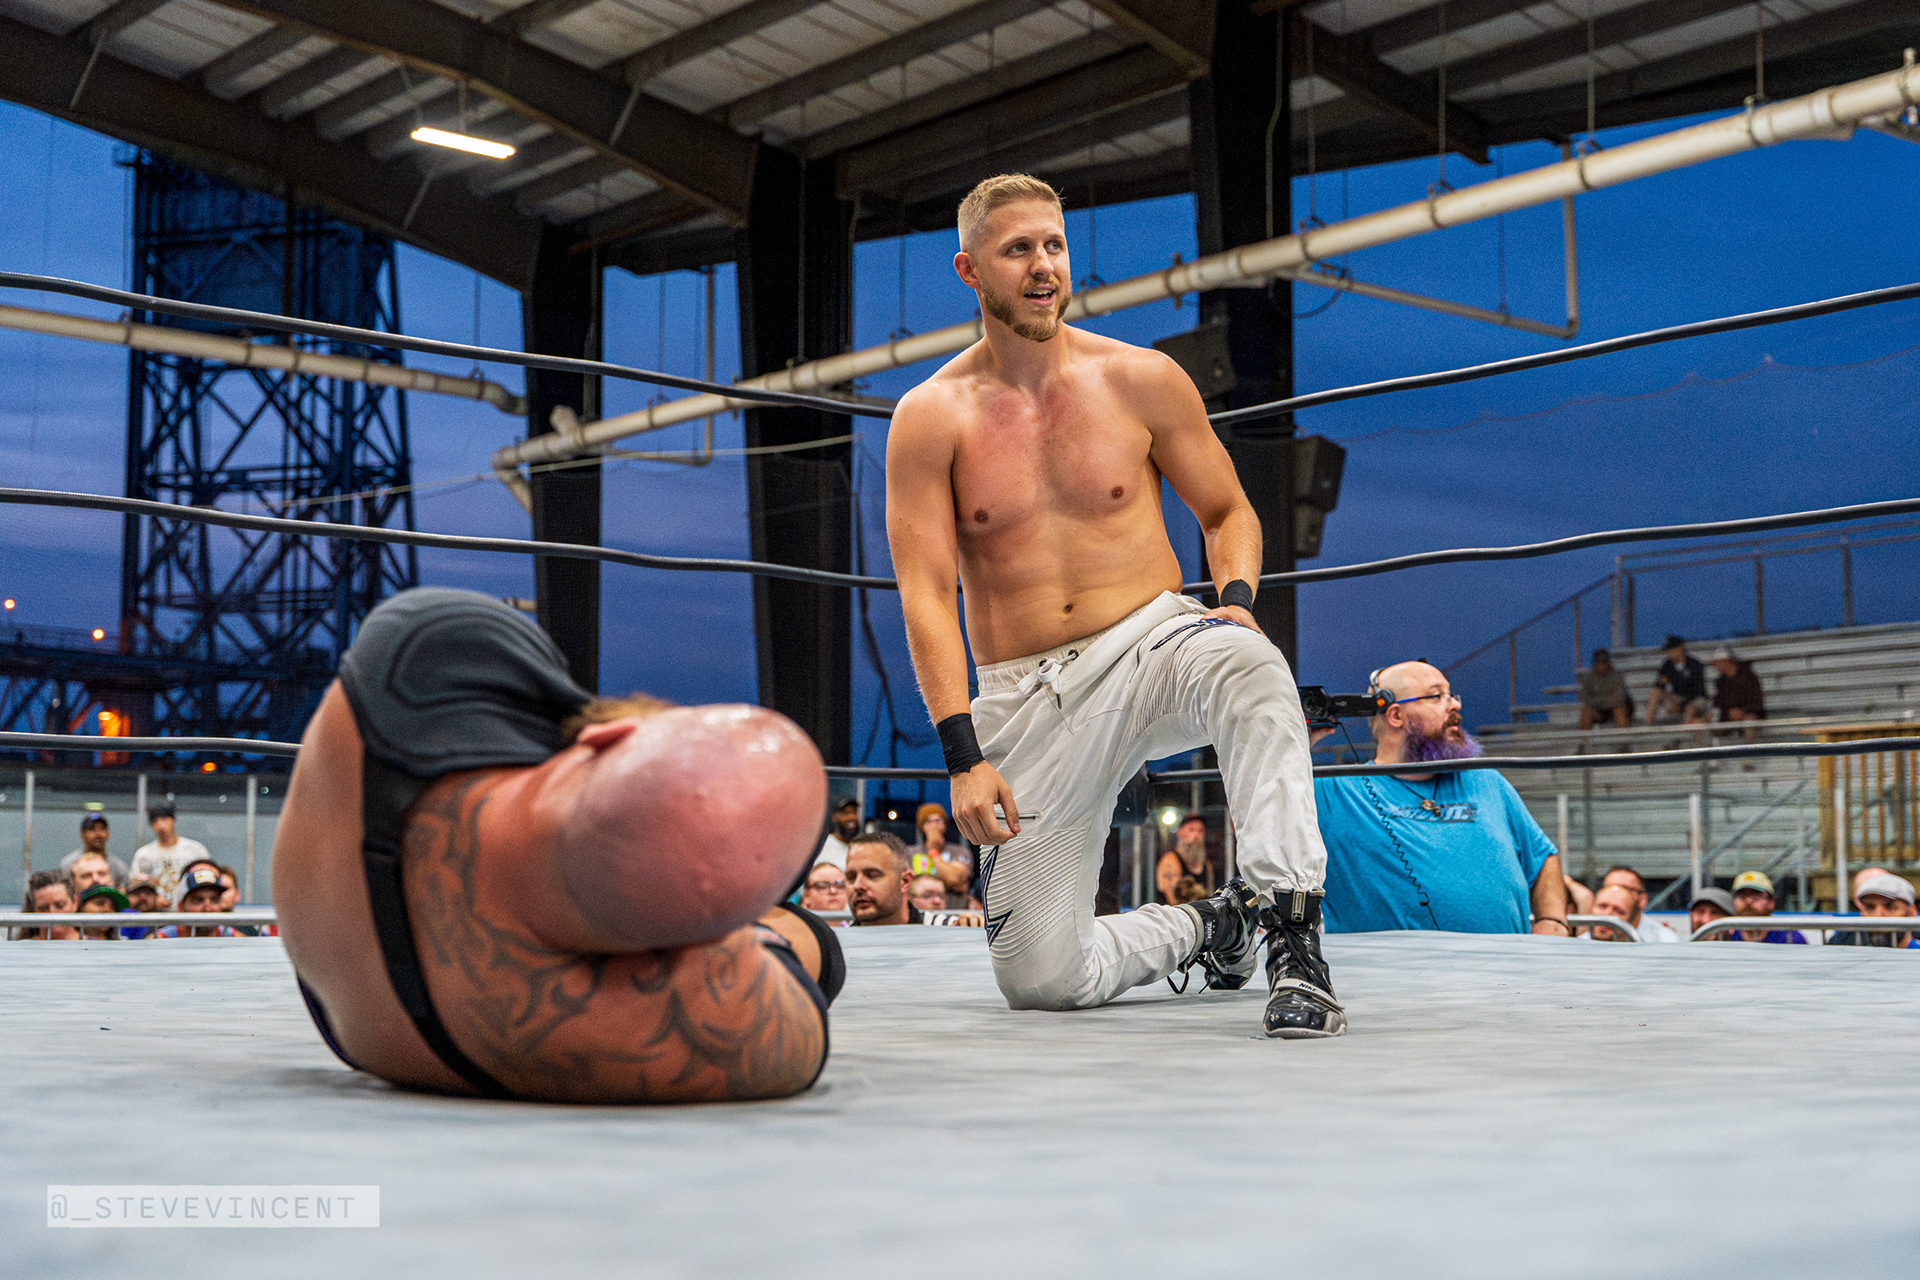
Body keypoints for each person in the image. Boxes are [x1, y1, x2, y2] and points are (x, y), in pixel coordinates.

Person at [885, 173, 1335, 1038]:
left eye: (1054, 245)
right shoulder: (931, 417)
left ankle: (1294, 938)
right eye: (1018, 249)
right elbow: (925, 593)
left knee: (1250, 663)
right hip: (1028, 694)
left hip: (1151, 644)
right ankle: (1212, 924)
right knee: (1042, 979)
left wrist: (1237, 601)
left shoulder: (1141, 379)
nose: (1043, 265)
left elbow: (1228, 511)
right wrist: (962, 756)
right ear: (970, 270)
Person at [273, 587, 842, 1104]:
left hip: (363, 979)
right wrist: (742, 928)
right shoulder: (646, 1032)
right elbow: (796, 994)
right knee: (807, 945)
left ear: (605, 736)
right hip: (398, 1034)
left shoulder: (426, 655)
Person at [1314, 662, 1569, 937]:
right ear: (1396, 715)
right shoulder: (1333, 789)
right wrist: (1298, 739)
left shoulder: (1487, 781)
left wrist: (1552, 921)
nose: (1455, 705)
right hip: (1388, 965)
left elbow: (1542, 857)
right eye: (1437, 696)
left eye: (1451, 695)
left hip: (1507, 963)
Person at [129, 802, 212, 904]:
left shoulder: (194, 850)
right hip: (156, 909)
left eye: (164, 819)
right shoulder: (144, 855)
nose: (160, 825)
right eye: (155, 821)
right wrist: (154, 899)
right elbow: (135, 885)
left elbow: (208, 879)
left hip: (190, 906)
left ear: (173, 820)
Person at [148, 867, 251, 938]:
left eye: (214, 900)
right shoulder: (159, 941)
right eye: (197, 900)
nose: (208, 908)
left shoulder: (237, 941)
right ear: (180, 907)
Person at [846, 833, 921, 927]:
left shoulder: (937, 929)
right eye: (851, 877)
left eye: (872, 875)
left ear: (905, 881)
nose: (857, 886)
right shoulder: (839, 935)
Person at [909, 804, 975, 909]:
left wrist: (933, 851)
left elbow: (954, 879)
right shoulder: (910, 852)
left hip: (955, 911)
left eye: (938, 820)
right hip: (919, 913)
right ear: (922, 826)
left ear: (945, 824)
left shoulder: (959, 851)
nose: (934, 825)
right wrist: (953, 885)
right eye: (928, 821)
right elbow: (908, 886)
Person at [1829, 873, 1919, 948]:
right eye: (1869, 907)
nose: (1878, 915)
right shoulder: (1844, 951)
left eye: (1890, 907)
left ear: (1911, 912)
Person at [1598, 865, 1682, 942]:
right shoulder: (1591, 935)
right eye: (1609, 888)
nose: (1617, 895)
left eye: (1626, 889)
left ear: (1642, 900)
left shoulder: (1666, 940)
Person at [1646, 635, 1711, 726]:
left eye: (1673, 650)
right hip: (1677, 698)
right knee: (1655, 692)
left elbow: (1698, 690)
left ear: (1681, 649)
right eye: (1669, 652)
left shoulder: (1695, 665)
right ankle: (1647, 722)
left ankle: (1684, 729)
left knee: (1690, 707)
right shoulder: (1667, 665)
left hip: (1696, 699)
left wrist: (1682, 703)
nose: (1671, 654)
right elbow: (1660, 684)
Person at [1727, 870, 1804, 943]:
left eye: (1756, 895)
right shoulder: (1726, 936)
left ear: (1771, 902)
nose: (1748, 901)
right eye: (1741, 896)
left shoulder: (1790, 938)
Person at [1155, 813, 1215, 905]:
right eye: (1191, 830)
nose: (1196, 835)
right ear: (1180, 832)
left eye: (1200, 831)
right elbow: (1172, 899)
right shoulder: (1170, 861)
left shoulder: (1207, 864)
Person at [1711, 647, 1764, 740]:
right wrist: (1727, 712)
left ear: (1726, 661)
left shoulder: (1749, 677)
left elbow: (1757, 701)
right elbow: (1718, 702)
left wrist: (1742, 711)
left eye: (1717, 663)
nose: (1715, 666)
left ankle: (1749, 748)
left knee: (1749, 722)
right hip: (1727, 716)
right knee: (1705, 723)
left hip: (1749, 714)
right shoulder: (1721, 681)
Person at [60, 813, 129, 885]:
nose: (98, 834)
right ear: (82, 833)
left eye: (102, 828)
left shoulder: (118, 868)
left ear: (108, 833)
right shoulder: (69, 864)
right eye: (92, 829)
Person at [1577, 649, 1630, 730]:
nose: (1602, 666)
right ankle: (1585, 737)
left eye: (1604, 663)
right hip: (1599, 710)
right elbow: (1584, 697)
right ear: (1595, 664)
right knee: (1586, 711)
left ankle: (1623, 736)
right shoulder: (1588, 678)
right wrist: (1607, 698)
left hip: (1614, 709)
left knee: (1620, 709)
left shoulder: (1616, 676)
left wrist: (1597, 700)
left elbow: (1619, 698)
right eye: (1599, 663)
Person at [20, 870, 79, 940]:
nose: (52, 913)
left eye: (60, 906)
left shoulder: (91, 944)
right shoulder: (21, 946)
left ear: (75, 903)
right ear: (34, 909)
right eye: (43, 909)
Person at [815, 797, 863, 869]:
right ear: (834, 817)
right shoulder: (824, 848)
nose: (851, 817)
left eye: (854, 812)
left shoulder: (863, 846)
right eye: (845, 813)